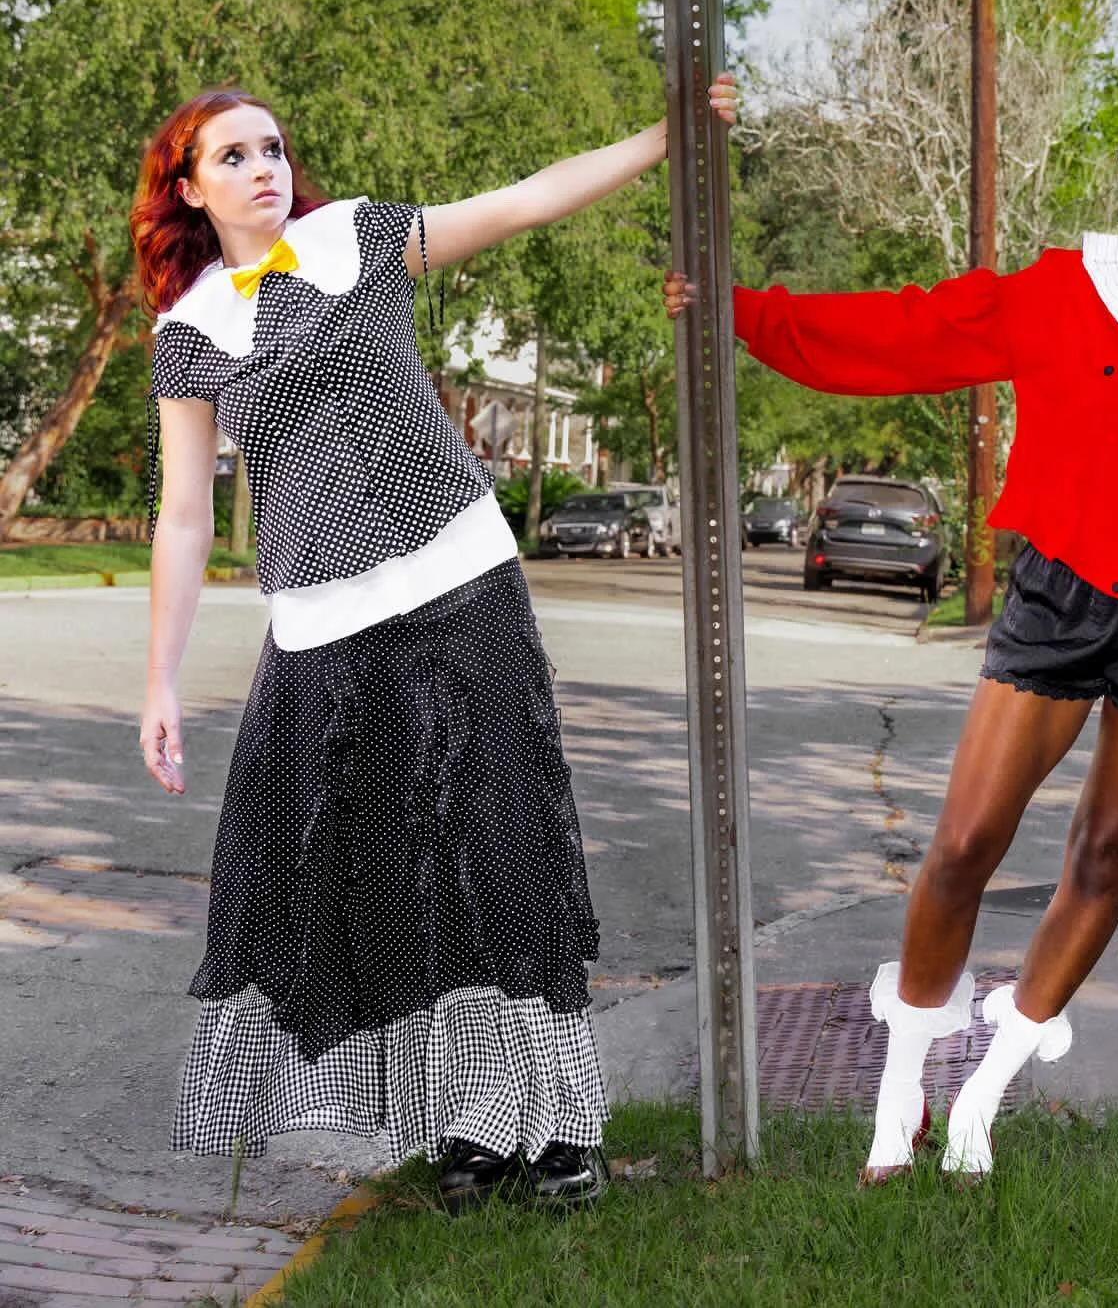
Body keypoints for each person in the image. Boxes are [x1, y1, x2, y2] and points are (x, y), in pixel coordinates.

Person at [665, 88, 1118, 1183]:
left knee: (1103, 856)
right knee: (963, 846)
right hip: (1061, 602)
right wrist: (744, 313)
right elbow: (912, 331)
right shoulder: (1073, 292)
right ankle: (903, 1082)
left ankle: (983, 1097)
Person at [136, 75, 736, 1212]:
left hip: (462, 587)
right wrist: (159, 679)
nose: (264, 169)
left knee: (504, 851)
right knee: (392, 884)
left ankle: (560, 1129)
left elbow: (526, 199)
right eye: (233, 156)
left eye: (274, 147)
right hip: (324, 635)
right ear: (191, 188)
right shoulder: (188, 334)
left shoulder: (359, 238)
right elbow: (182, 515)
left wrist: (668, 136)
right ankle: (474, 1124)